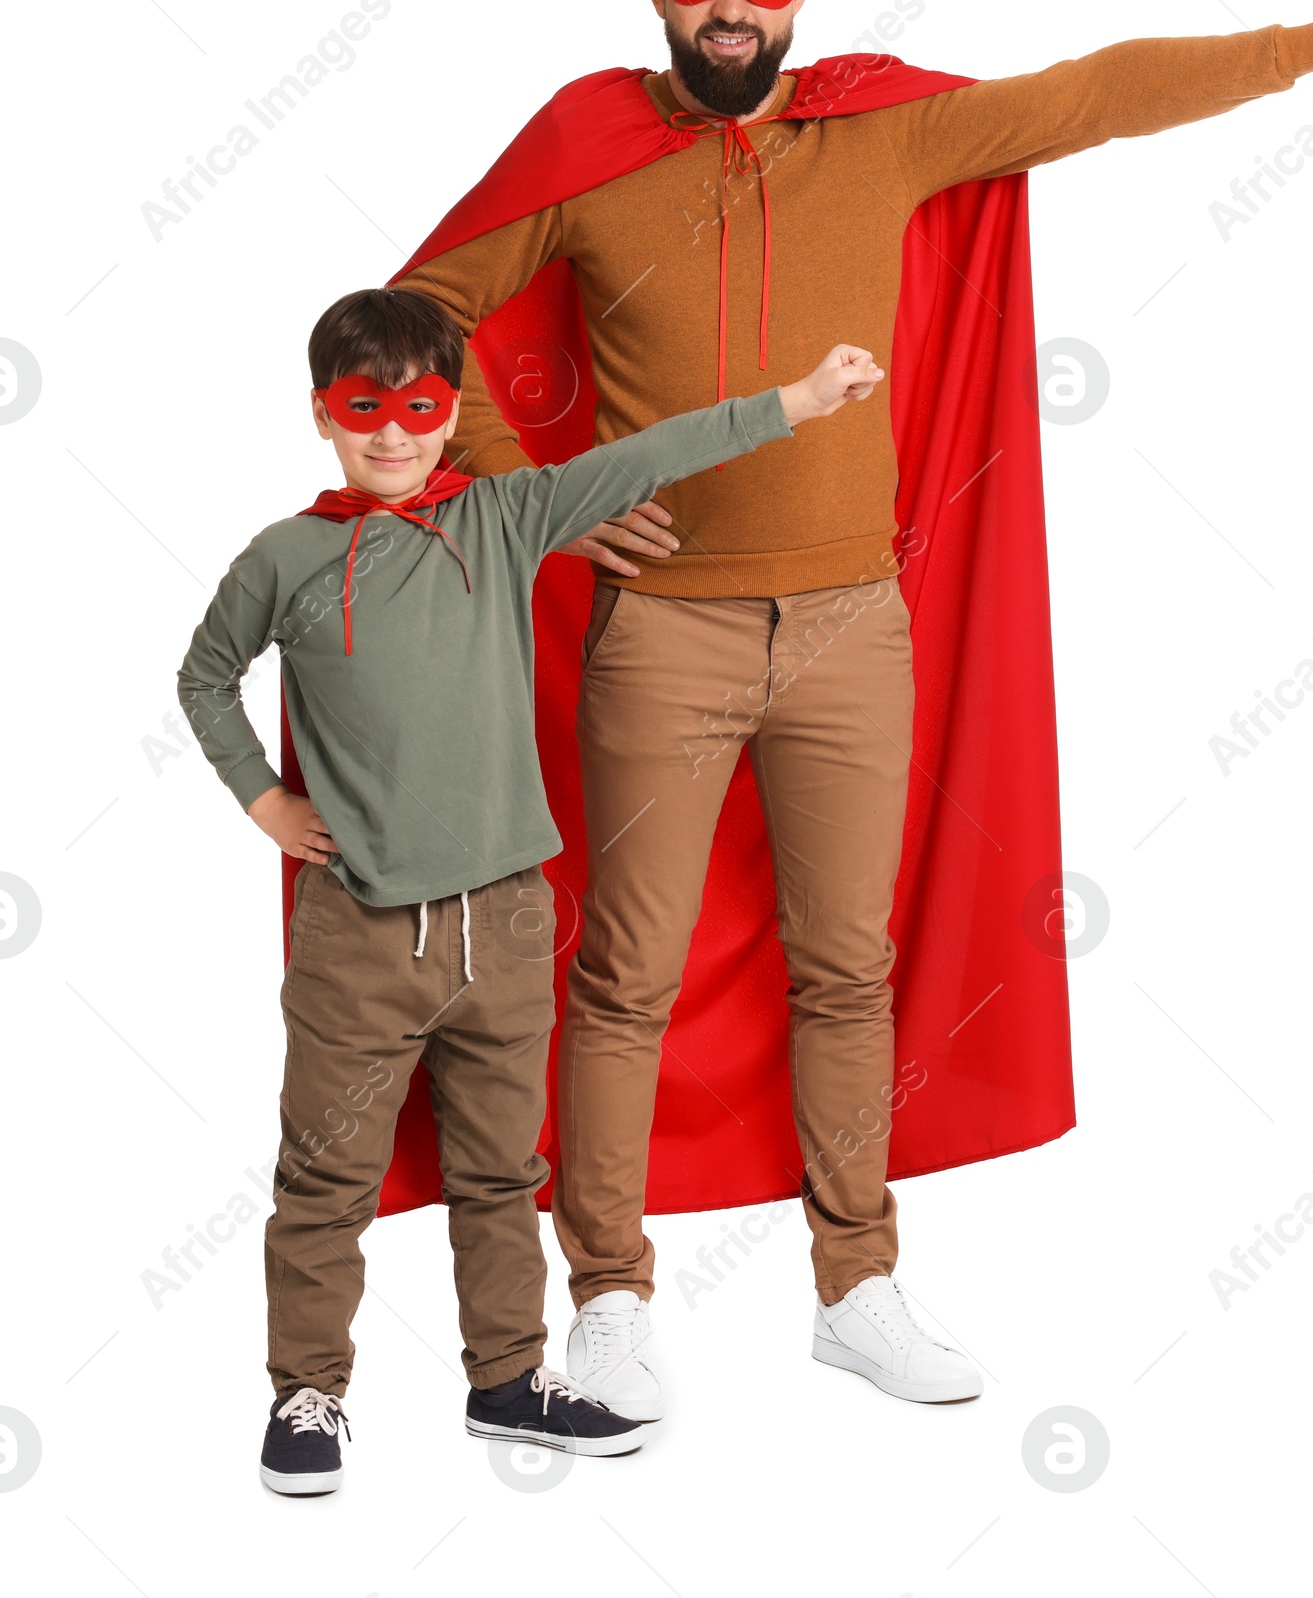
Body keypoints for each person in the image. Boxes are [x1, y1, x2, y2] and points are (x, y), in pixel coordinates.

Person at [392, 0, 1313, 1414]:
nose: (729, 3)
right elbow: (420, 308)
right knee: (625, 977)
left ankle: (856, 1282)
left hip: (847, 627)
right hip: (661, 635)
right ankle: (609, 1298)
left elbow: (1090, 93)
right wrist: (536, 486)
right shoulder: (588, 142)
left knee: (850, 966)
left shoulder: (882, 132)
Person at [176, 284, 883, 1492]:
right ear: (321, 415)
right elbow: (202, 678)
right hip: (358, 931)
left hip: (503, 923)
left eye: (417, 406)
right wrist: (263, 799)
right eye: (363, 408)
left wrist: (800, 400)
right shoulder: (284, 556)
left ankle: (507, 1379)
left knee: (502, 1170)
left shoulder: (503, 517)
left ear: (450, 414)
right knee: (325, 1176)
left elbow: (651, 452)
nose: (391, 432)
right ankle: (308, 1392)